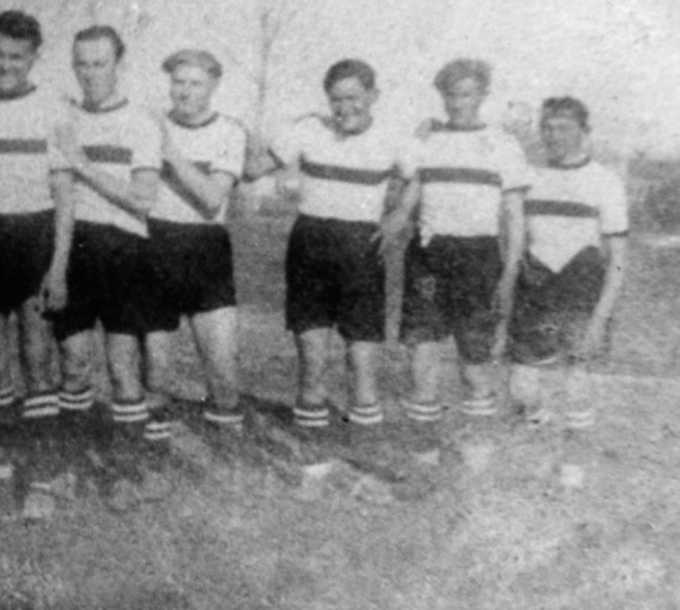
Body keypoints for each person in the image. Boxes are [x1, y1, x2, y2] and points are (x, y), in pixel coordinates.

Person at [246, 60, 414, 440]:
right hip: (310, 241)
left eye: (353, 97)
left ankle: (366, 437)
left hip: (362, 245)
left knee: (361, 350)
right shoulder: (309, 130)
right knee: (312, 352)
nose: (344, 107)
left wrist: (401, 214)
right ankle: (311, 437)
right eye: (336, 99)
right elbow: (254, 169)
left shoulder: (393, 137)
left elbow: (417, 176)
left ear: (373, 96)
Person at [390, 58, 531, 460]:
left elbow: (515, 217)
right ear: (442, 96)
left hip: (479, 258)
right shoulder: (426, 140)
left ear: (483, 95)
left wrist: (509, 273)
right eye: (451, 94)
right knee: (423, 358)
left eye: (467, 94)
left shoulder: (502, 144)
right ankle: (424, 456)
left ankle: (477, 455)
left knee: (475, 362)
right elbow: (407, 199)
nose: (457, 103)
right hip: (430, 256)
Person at [53, 25, 166, 513]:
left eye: (99, 63)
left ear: (119, 65)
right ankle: (70, 469)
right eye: (81, 63)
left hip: (124, 252)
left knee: (122, 368)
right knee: (73, 363)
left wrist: (83, 164)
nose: (90, 73)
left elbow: (143, 199)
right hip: (74, 247)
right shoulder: (63, 119)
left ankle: (125, 471)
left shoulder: (141, 122)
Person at [0, 11, 75, 423]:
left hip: (35, 232)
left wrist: (58, 269)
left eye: (16, 57)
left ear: (33, 58)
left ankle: (41, 449)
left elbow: (65, 198)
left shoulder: (53, 109)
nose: (5, 65)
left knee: (36, 348)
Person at [506, 97, 627, 468]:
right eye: (547, 127)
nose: (554, 136)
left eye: (564, 128)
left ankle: (573, 468)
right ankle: (538, 439)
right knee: (522, 387)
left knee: (576, 382)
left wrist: (600, 319)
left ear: (584, 132)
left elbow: (618, 260)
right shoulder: (528, 177)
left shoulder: (604, 182)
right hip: (535, 289)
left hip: (581, 290)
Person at [141, 50, 247, 442]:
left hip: (206, 249)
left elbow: (211, 198)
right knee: (155, 370)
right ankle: (153, 454)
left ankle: (229, 456)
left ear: (213, 86)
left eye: (195, 83)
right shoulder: (147, 125)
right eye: (178, 82)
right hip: (155, 244)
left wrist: (168, 151)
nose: (184, 91)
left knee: (222, 368)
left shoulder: (230, 131)